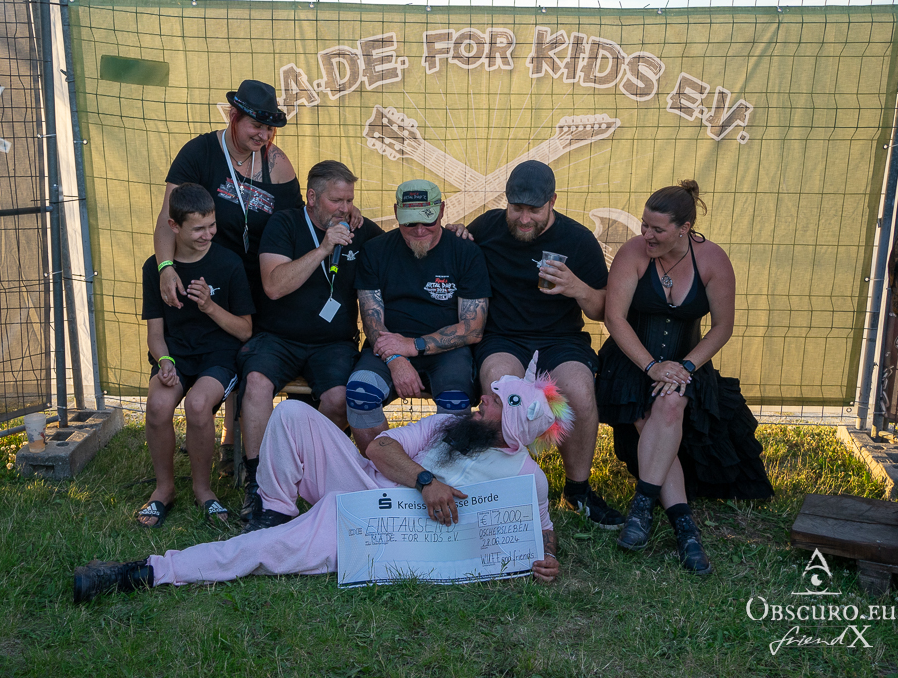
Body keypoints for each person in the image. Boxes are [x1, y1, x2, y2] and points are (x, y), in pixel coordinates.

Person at [72, 354, 567, 601]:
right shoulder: (447, 423)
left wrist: (547, 560)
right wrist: (425, 481)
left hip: (383, 533)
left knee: (264, 553)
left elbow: (540, 532)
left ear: (513, 425)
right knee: (291, 414)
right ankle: (274, 512)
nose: (480, 403)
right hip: (369, 485)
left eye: (492, 404)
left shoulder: (527, 478)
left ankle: (146, 571)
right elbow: (379, 447)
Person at [596, 180, 774, 576]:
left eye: (657, 229)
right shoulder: (632, 253)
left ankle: (644, 508)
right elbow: (614, 318)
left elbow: (722, 327)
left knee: (671, 402)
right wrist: (652, 366)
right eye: (644, 225)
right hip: (631, 362)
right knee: (652, 414)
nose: (646, 235)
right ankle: (685, 529)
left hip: (687, 362)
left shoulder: (712, 260)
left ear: (684, 227)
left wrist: (687, 367)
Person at [151, 80, 302, 477]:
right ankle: (219, 439)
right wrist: (166, 267)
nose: (263, 135)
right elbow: (167, 219)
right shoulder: (199, 152)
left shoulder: (276, 163)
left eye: (269, 128)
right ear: (233, 116)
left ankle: (234, 443)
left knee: (247, 354)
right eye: (255, 125)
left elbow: (298, 220)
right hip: (208, 276)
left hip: (259, 279)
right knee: (215, 350)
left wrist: (344, 216)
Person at [467, 160, 624, 529]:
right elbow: (455, 255)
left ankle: (578, 490)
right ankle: (502, 487)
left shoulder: (578, 239)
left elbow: (602, 308)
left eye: (534, 210)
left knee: (579, 392)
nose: (524, 219)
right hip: (503, 336)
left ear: (552, 201)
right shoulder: (486, 227)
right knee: (502, 388)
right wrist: (457, 232)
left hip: (561, 337)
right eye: (516, 208)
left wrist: (577, 288)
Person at [237, 160, 383, 521]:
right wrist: (322, 249)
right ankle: (258, 482)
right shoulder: (284, 224)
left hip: (333, 343)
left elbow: (402, 248)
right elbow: (273, 286)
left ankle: (304, 464)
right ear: (312, 197)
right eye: (337, 200)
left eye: (349, 200)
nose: (345, 209)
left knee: (339, 398)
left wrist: (453, 232)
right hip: (278, 337)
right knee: (256, 382)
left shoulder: (360, 229)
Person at [137, 183, 255, 528]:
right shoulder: (155, 269)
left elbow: (245, 331)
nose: (209, 234)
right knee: (157, 405)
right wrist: (164, 361)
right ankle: (164, 489)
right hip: (175, 354)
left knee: (199, 404)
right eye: (199, 228)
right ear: (174, 226)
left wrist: (209, 306)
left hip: (219, 355)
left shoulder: (228, 263)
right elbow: (155, 335)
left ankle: (203, 489)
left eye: (212, 225)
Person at [348, 179, 491, 449]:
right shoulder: (376, 250)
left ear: (442, 211)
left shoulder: (466, 252)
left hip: (448, 352)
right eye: (410, 223)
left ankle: (438, 469)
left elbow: (473, 328)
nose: (420, 230)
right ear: (396, 212)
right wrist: (395, 358)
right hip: (388, 348)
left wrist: (413, 346)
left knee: (455, 403)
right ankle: (383, 467)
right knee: (360, 393)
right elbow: (372, 321)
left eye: (428, 221)